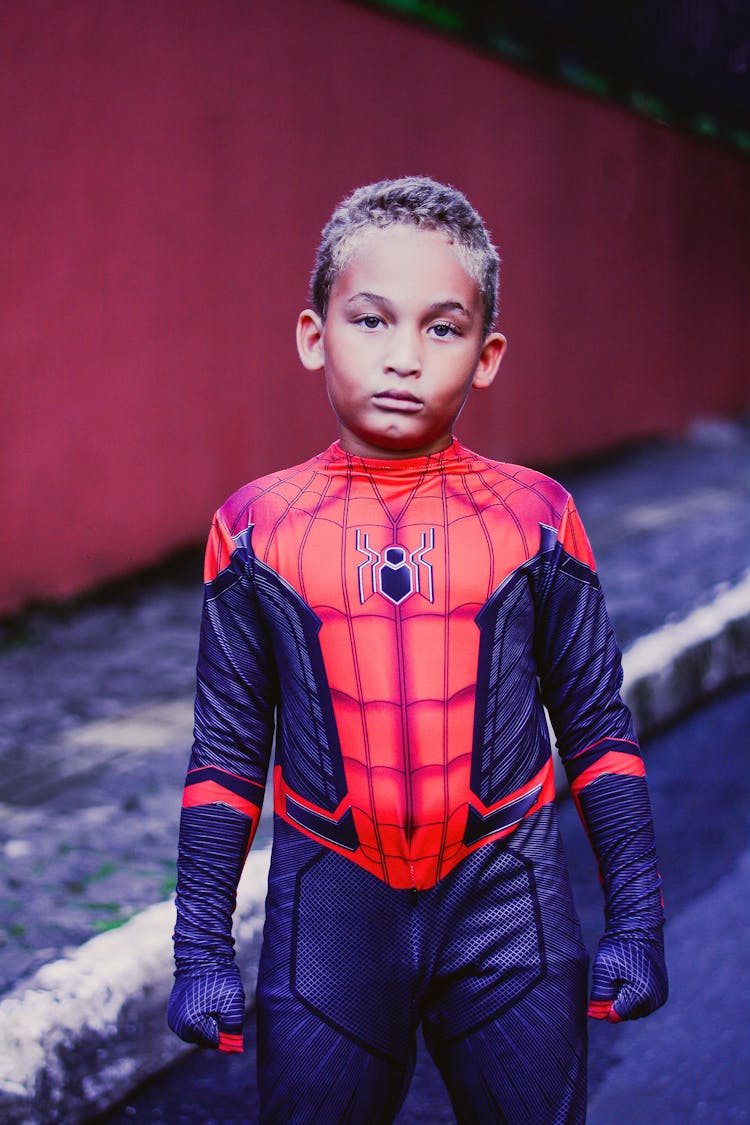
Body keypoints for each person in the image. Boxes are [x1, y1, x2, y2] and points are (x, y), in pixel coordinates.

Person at [167, 176, 667, 1123]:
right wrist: (199, 951)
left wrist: (637, 925)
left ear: (487, 356)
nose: (403, 357)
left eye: (442, 328)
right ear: (315, 334)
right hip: (330, 908)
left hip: (506, 898)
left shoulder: (540, 518)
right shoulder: (254, 526)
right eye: (370, 321)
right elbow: (227, 753)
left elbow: (599, 729)